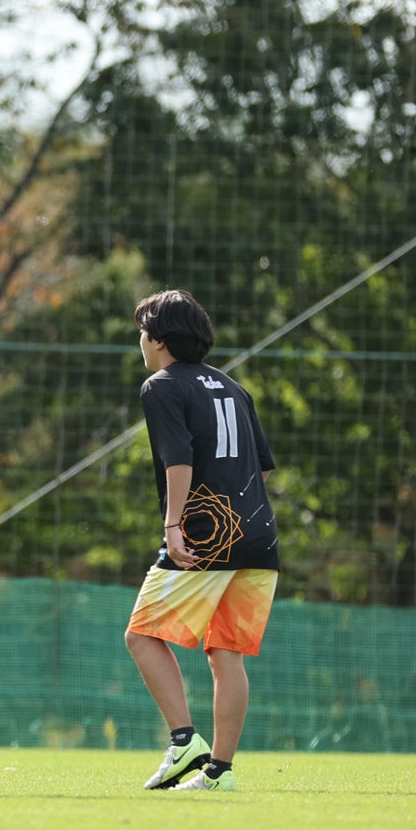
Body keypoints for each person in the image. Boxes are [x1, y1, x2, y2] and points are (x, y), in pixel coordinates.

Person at [123, 290, 278, 792]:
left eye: (142, 332)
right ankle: (219, 773)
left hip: (207, 537)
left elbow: (179, 460)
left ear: (159, 340)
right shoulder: (234, 387)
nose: (140, 341)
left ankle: (184, 740)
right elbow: (262, 469)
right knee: (225, 653)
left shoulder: (161, 385)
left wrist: (173, 526)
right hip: (259, 537)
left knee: (141, 636)